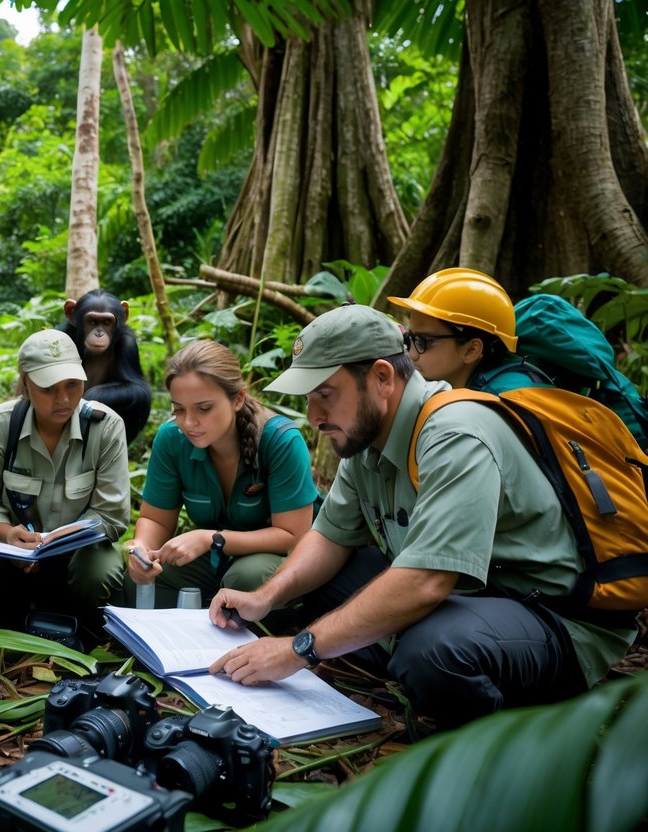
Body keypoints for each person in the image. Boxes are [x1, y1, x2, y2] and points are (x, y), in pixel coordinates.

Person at [207, 304, 636, 729]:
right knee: (325, 584)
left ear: (381, 378)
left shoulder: (455, 434)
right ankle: (392, 656)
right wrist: (268, 596)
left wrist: (298, 649)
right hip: (473, 600)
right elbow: (330, 538)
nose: (315, 417)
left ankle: (504, 739)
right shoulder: (366, 436)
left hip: (552, 616)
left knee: (431, 653)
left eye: (326, 394)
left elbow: (426, 581)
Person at [125, 340, 318, 609]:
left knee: (246, 577)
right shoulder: (171, 439)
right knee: (145, 577)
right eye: (178, 409)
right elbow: (155, 520)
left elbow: (294, 536)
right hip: (215, 557)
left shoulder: (281, 440)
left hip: (276, 558)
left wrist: (211, 538)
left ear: (238, 398)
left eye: (204, 409)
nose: (189, 422)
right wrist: (141, 550)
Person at [0, 329, 130, 632]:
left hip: (83, 551)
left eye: (72, 385)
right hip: (14, 553)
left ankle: (93, 630)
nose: (63, 398)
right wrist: (6, 534)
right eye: (48, 388)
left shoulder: (105, 427)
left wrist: (61, 540)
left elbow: (112, 514)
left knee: (99, 574)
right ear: (26, 383)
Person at [387, 267, 549, 393]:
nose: (412, 354)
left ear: (471, 350)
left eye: (424, 341)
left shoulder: (494, 404)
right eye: (410, 338)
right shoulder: (472, 387)